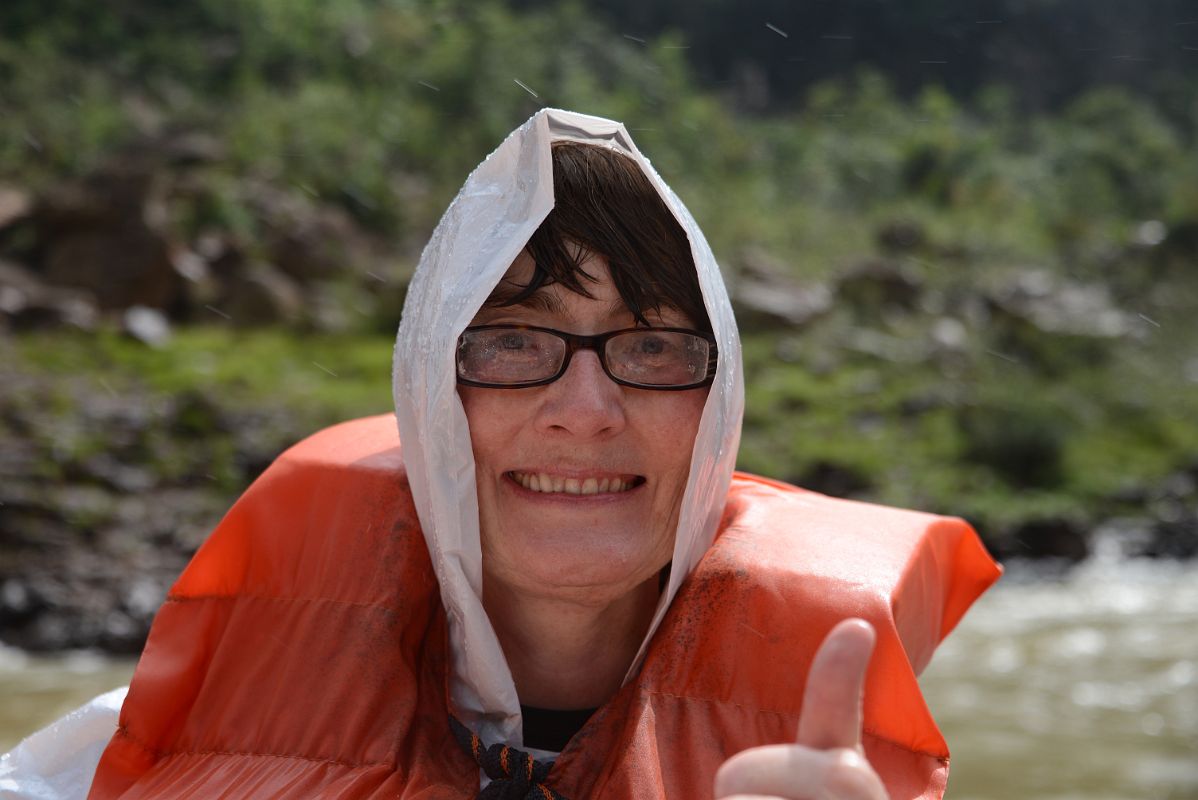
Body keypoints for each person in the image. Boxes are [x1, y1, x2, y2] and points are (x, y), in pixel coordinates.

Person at [0, 109, 999, 799]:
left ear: (719, 406)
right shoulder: (126, 751)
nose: (586, 406)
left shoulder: (822, 779)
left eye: (652, 345)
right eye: (516, 342)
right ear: (431, 399)